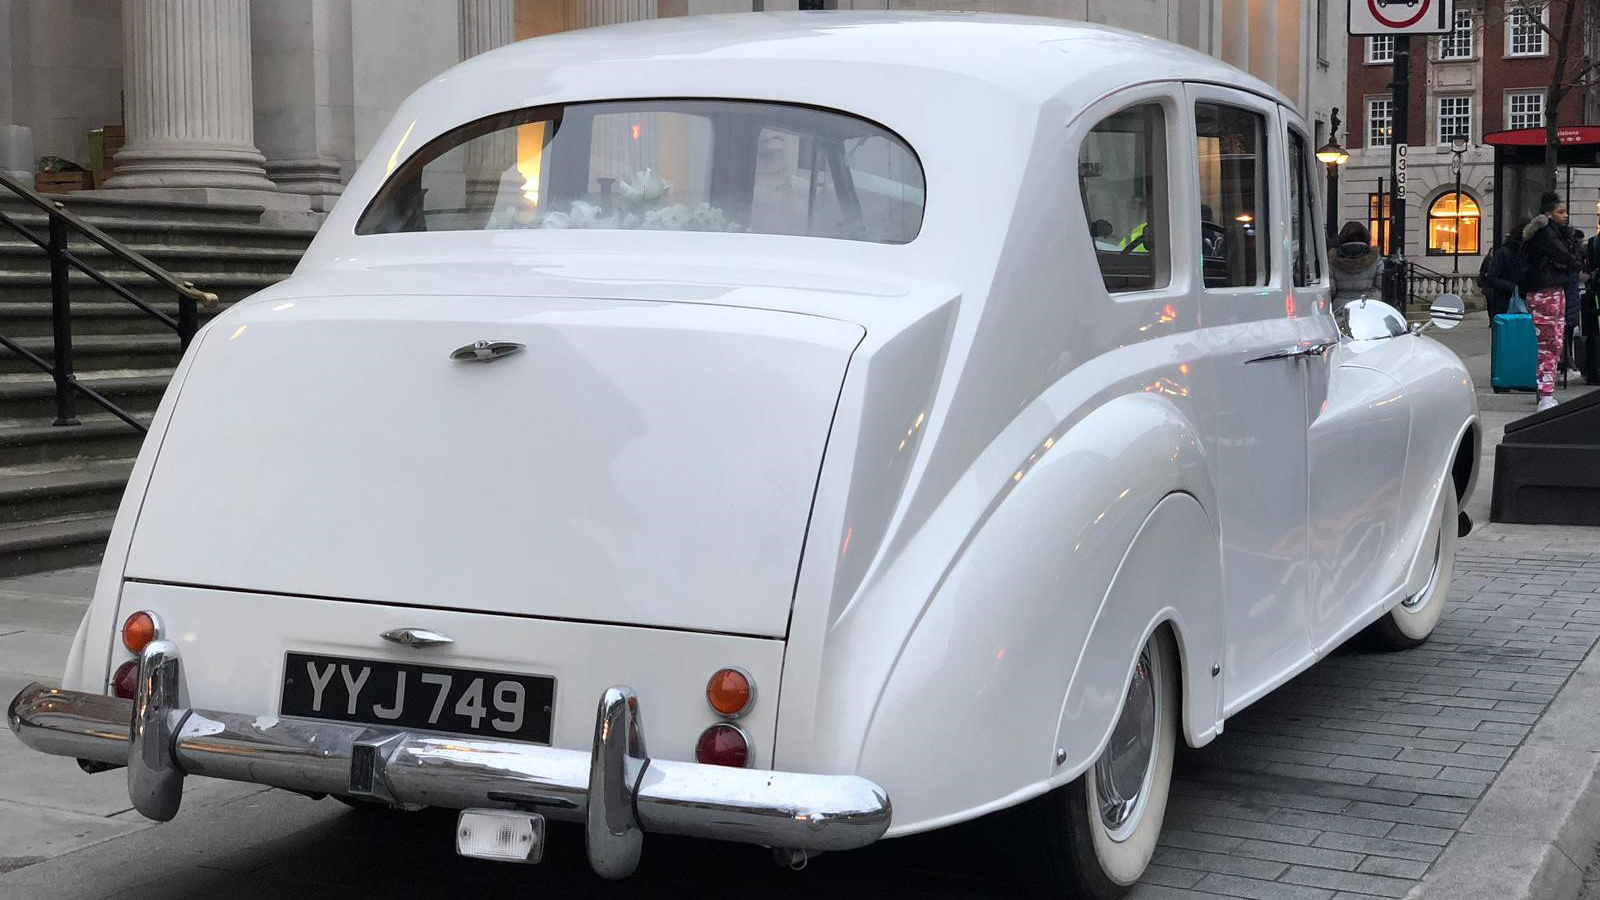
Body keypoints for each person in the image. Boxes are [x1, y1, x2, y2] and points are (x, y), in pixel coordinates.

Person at [1520, 191, 1579, 411]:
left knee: (1554, 343)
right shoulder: (1546, 233)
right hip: (1545, 291)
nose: (1565, 216)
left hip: (1552, 290)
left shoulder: (1548, 232)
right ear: (1549, 213)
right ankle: (1545, 393)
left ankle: (1546, 391)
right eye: (1560, 212)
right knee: (1549, 344)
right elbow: (1567, 257)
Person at [1481, 221, 1528, 322]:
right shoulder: (1505, 252)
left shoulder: (1530, 253)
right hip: (1506, 303)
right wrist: (1513, 287)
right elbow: (1491, 278)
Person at [1329, 221, 1382, 308]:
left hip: (1341, 309)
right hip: (1367, 307)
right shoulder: (1375, 259)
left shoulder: (1333, 260)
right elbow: (1380, 287)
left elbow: (1331, 290)